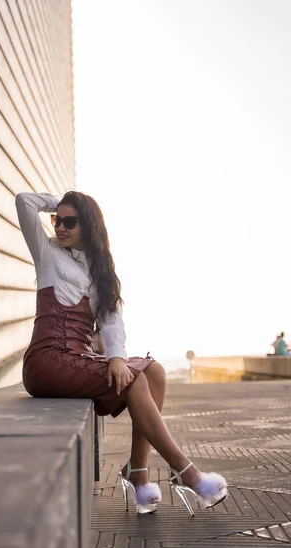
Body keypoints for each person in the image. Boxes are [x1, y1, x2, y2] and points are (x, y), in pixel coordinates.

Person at [15, 190, 227, 515]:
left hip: (77, 359)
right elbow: (24, 201)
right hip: (46, 361)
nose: (60, 227)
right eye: (58, 220)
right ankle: (187, 473)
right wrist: (66, 202)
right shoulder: (46, 252)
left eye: (70, 222)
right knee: (134, 381)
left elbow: (112, 322)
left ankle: (138, 474)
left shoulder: (100, 272)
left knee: (153, 371)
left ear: (88, 225)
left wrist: (116, 356)